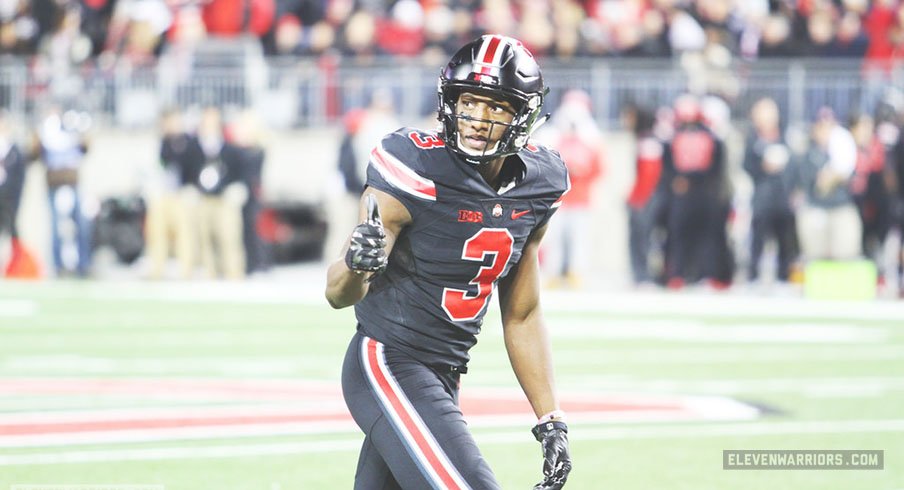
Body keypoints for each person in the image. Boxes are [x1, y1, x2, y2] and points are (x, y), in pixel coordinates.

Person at [325, 35, 572, 490]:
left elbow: (522, 314)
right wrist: (358, 264)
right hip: (388, 359)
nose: (478, 118)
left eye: (497, 107)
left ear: (524, 115)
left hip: (445, 373)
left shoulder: (540, 184)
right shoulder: (414, 165)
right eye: (470, 102)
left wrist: (549, 416)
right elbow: (338, 293)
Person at [742, 97, 798, 285]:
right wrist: (762, 166)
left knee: (785, 238)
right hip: (762, 196)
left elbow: (794, 165)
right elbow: (746, 165)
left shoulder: (784, 136)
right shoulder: (752, 140)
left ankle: (783, 276)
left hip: (782, 196)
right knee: (758, 237)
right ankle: (753, 276)